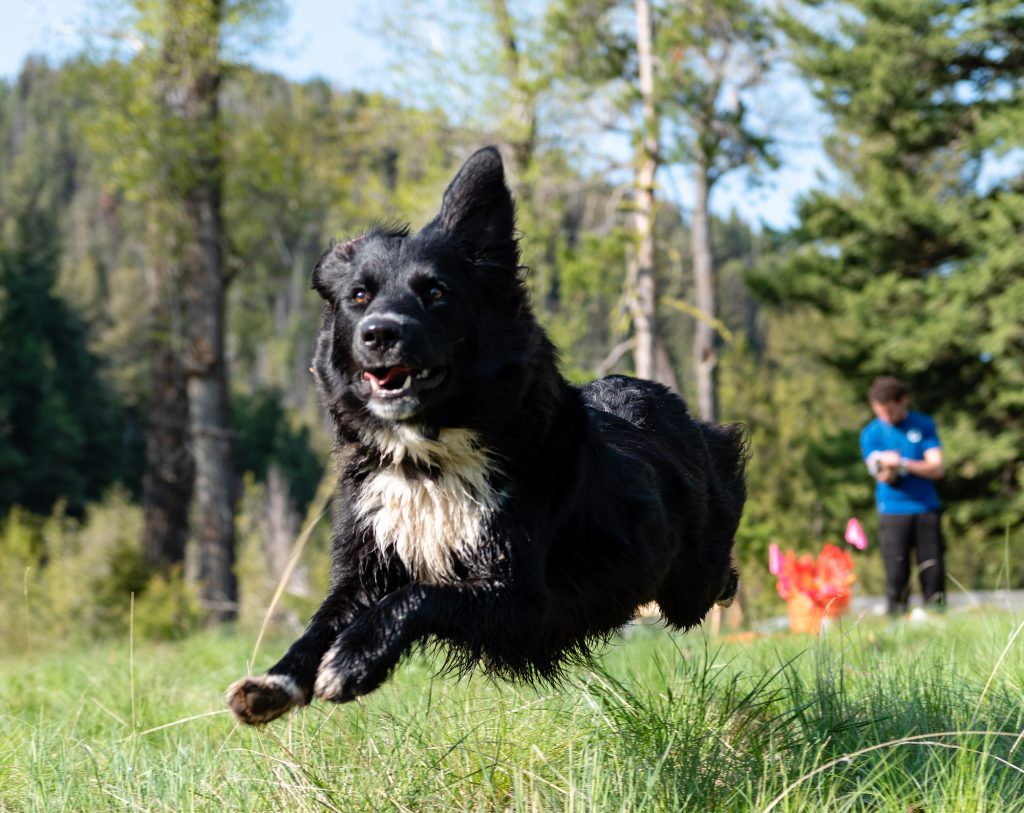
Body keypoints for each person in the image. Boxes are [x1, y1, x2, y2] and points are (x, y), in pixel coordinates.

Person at [859, 375, 946, 616]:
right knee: (896, 573)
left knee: (933, 571)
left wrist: (904, 463)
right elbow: (882, 478)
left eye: (891, 411)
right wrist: (889, 468)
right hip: (892, 512)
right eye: (881, 413)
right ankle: (896, 623)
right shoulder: (871, 433)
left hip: (926, 508)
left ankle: (938, 619)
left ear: (903, 401)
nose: (887, 418)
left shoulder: (923, 425)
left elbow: (937, 467)